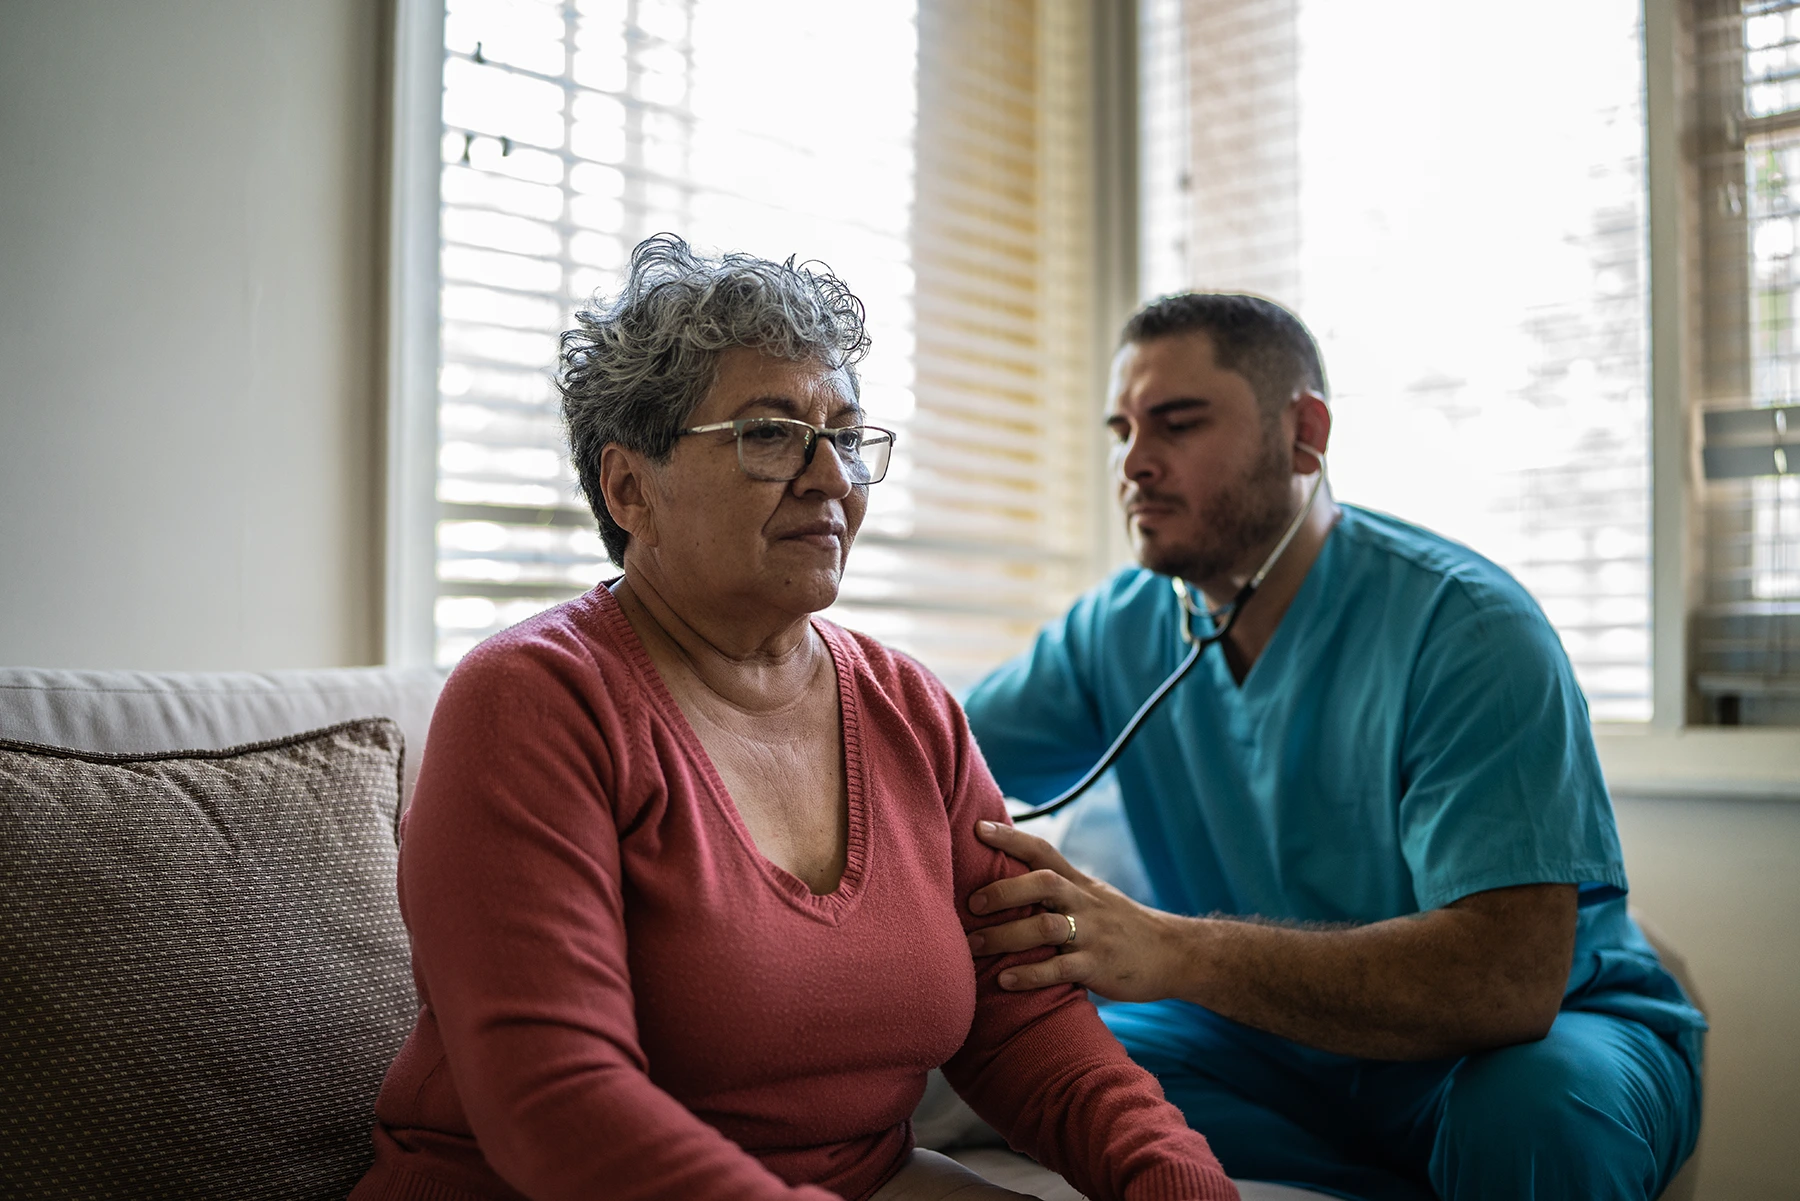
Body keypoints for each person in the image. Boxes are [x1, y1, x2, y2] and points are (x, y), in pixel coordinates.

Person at [350, 236, 1237, 1201]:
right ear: (629, 487)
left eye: (847, 437)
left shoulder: (912, 708)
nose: (832, 479)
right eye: (769, 433)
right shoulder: (534, 699)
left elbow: (1022, 1018)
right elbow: (558, 1105)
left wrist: (1173, 1178)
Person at [958, 293, 1706, 1201]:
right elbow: (926, 756)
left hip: (1529, 1040)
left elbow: (1504, 983)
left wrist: (1174, 951)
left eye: (1178, 423)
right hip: (1263, 1041)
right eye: (1121, 429)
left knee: (1534, 1121)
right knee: (1045, 1065)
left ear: (1305, 432)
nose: (1133, 464)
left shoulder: (1466, 629)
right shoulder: (1113, 632)